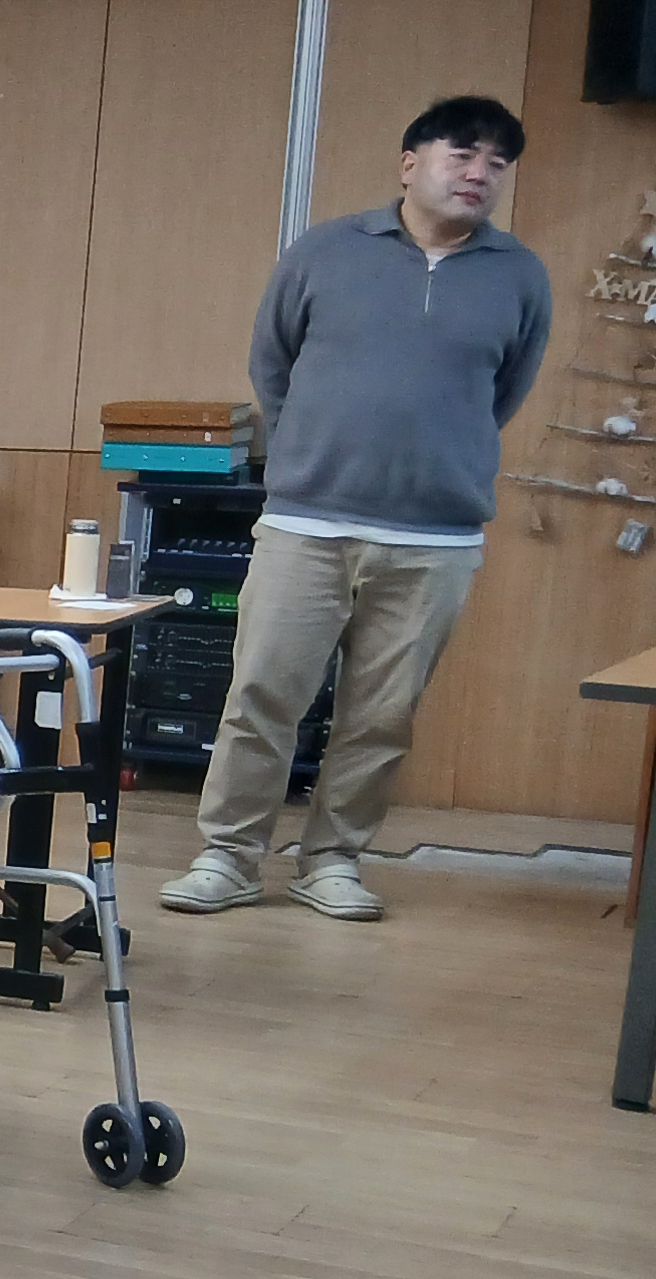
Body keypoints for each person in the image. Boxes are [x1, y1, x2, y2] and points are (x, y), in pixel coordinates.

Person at [164, 94, 554, 923]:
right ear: (410, 163)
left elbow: (504, 392)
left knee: (381, 715)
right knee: (262, 696)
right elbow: (273, 365)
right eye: (463, 153)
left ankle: (333, 860)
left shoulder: (519, 274)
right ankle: (229, 856)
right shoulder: (326, 251)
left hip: (435, 538)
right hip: (307, 522)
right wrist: (313, 454)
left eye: (497, 161)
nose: (480, 172)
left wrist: (435, 455)